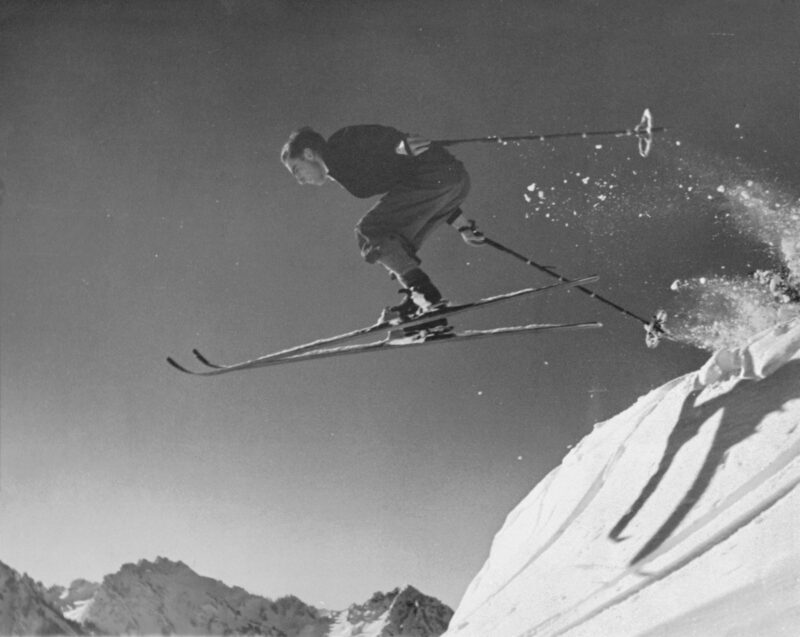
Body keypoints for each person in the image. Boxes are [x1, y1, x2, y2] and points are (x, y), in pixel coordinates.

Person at [281, 124, 485, 337]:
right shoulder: (342, 171)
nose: (300, 180)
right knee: (393, 243)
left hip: (436, 174)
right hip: (451, 182)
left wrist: (398, 144)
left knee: (369, 231)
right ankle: (418, 303)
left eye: (297, 169)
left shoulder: (339, 147)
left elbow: (370, 136)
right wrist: (463, 225)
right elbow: (414, 197)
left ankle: (426, 296)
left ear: (308, 153)